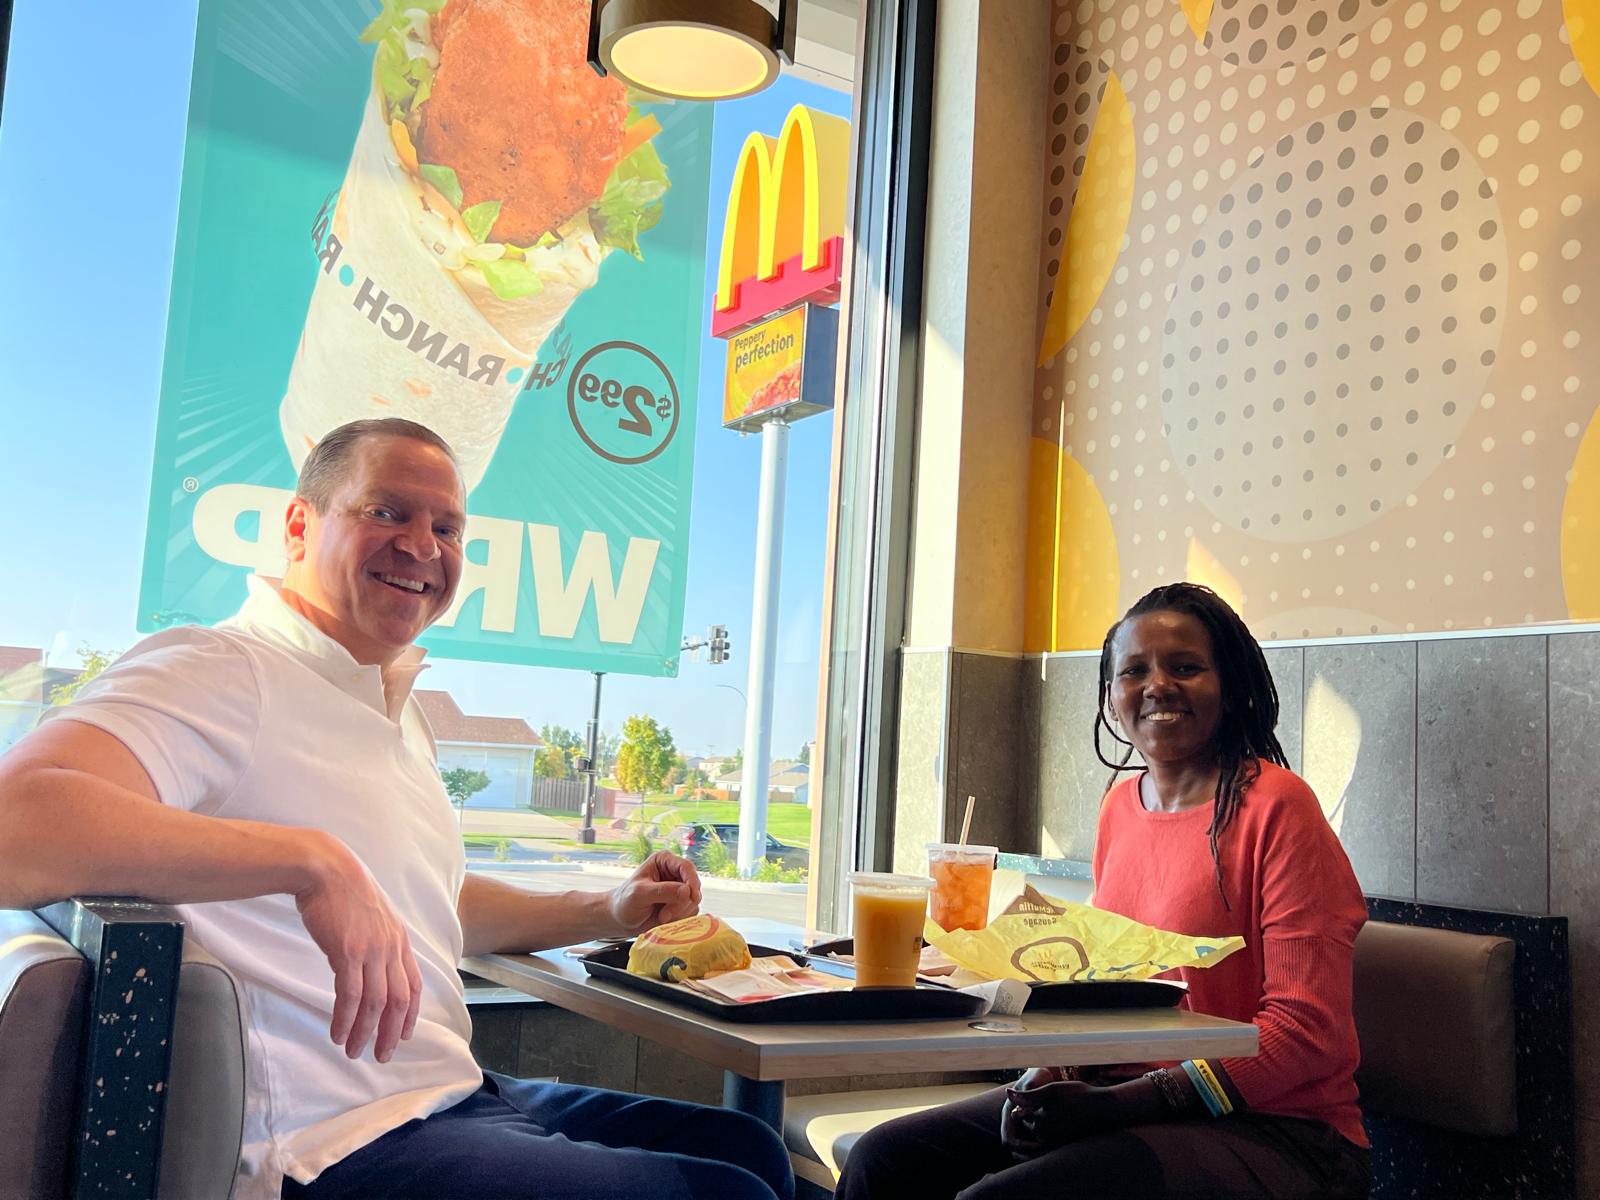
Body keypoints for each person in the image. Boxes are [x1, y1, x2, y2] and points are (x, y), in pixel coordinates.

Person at [0, 418, 792, 1200]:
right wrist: (310, 863)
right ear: (299, 527)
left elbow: (428, 905)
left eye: (446, 526)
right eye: (386, 512)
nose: (422, 546)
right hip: (331, 1142)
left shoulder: (392, 705)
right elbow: (16, 825)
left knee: (746, 1146)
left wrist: (609, 909)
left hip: (450, 1094)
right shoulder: (220, 668)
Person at [836, 582, 1370, 1200]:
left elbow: (1304, 1034)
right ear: (1112, 698)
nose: (1158, 686)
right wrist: (1044, 1078)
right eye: (1134, 671)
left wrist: (1118, 1106)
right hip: (1128, 1101)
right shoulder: (1121, 805)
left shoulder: (1279, 808)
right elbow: (1101, 983)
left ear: (1232, 686)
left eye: (1187, 668)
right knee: (886, 1161)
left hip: (1283, 1133)